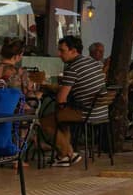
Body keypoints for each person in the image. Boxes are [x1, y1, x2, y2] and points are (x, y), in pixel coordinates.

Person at [39, 36, 104, 167]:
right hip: (101, 110)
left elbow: (61, 99)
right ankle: (66, 155)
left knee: (46, 122)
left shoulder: (72, 68)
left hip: (85, 112)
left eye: (62, 51)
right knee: (61, 118)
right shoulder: (93, 62)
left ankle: (67, 153)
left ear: (73, 51)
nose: (59, 54)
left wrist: (51, 91)